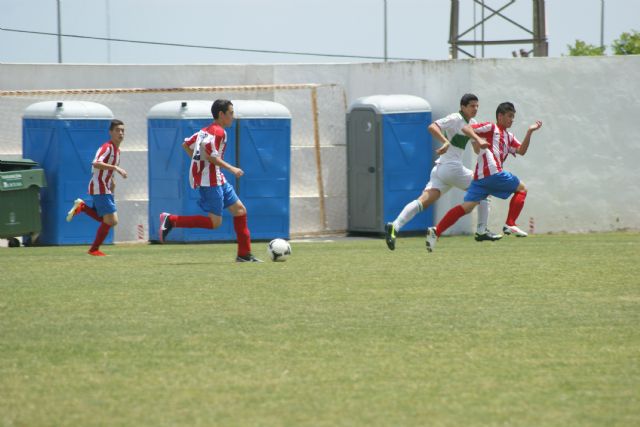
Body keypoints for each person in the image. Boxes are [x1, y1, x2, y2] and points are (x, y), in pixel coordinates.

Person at [385, 93, 501, 251]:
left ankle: (395, 226)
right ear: (462, 107)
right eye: (472, 106)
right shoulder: (455, 118)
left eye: (477, 106)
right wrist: (445, 141)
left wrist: (483, 143)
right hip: (451, 167)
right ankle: (481, 230)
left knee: (422, 202)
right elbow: (432, 127)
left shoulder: (472, 123)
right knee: (484, 189)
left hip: (441, 169)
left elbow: (475, 148)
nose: (475, 109)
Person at [425, 102, 543, 252]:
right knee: (522, 189)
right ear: (500, 116)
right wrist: (479, 139)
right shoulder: (491, 127)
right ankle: (510, 224)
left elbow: (521, 151)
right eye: (509, 116)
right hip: (493, 173)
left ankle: (436, 231)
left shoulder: (509, 136)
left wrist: (529, 132)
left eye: (513, 117)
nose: (511, 119)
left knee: (467, 207)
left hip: (480, 180)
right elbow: (466, 128)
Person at [158, 99, 262, 262]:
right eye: (231, 113)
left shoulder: (204, 131)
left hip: (218, 179)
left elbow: (186, 144)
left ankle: (244, 254)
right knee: (215, 223)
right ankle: (171, 220)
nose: (233, 117)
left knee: (240, 211)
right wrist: (232, 168)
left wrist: (199, 162)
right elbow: (212, 158)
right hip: (210, 183)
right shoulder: (219, 132)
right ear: (221, 114)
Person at [66, 119, 128, 256]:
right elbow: (96, 163)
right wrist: (116, 168)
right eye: (117, 130)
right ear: (110, 132)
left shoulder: (117, 151)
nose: (121, 133)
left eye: (123, 130)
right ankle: (94, 249)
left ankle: (82, 208)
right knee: (112, 220)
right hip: (99, 186)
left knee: (109, 220)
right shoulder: (107, 147)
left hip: (104, 187)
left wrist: (112, 180)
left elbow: (106, 169)